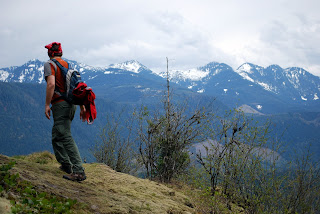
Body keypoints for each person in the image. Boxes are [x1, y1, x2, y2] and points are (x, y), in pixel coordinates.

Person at [44, 42, 86, 181]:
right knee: (57, 134)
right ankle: (66, 165)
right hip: (71, 104)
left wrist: (47, 104)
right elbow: (77, 87)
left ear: (50, 53)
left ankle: (79, 171)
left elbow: (51, 84)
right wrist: (82, 107)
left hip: (60, 104)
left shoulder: (50, 65)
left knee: (65, 136)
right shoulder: (68, 65)